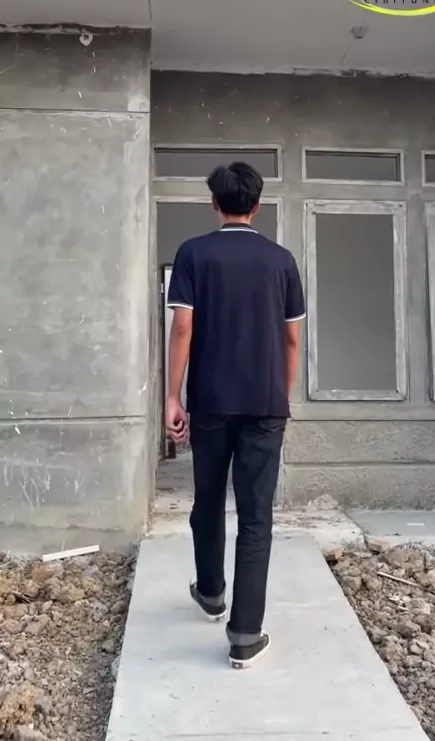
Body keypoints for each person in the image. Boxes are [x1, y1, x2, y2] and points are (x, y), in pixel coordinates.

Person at [166, 161, 305, 669]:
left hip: (209, 402)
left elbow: (183, 328)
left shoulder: (193, 254)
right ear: (257, 205)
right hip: (265, 405)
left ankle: (210, 592)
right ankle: (245, 634)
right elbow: (292, 339)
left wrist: (172, 397)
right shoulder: (281, 261)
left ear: (215, 204)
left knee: (207, 500)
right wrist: (280, 396)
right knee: (256, 516)